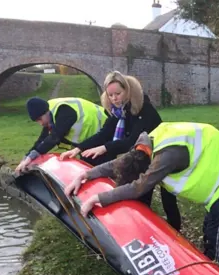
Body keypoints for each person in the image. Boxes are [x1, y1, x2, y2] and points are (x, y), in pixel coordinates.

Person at [63, 122, 219, 269]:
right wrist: (85, 174)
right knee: (210, 225)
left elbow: (139, 187)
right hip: (211, 166)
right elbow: (118, 164)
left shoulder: (166, 157)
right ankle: (207, 262)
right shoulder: (143, 147)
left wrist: (98, 199)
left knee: (217, 231)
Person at [60, 71, 181, 231]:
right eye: (110, 95)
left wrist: (105, 148)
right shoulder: (118, 111)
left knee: (167, 194)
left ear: (127, 91)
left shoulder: (144, 109)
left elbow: (131, 141)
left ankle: (174, 230)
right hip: (140, 154)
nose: (114, 98)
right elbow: (104, 133)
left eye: (118, 93)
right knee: (139, 192)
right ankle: (139, 226)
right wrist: (78, 148)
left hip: (161, 153)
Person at [14, 96, 107, 174]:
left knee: (100, 170)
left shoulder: (64, 111)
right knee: (88, 169)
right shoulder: (49, 112)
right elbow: (42, 139)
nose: (41, 123)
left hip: (105, 131)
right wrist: (26, 158)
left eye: (40, 119)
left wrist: (31, 157)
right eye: (37, 121)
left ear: (46, 112)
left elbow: (54, 137)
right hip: (88, 142)